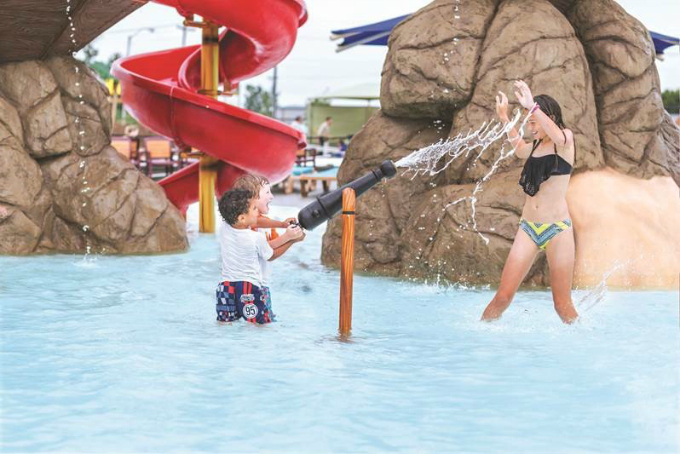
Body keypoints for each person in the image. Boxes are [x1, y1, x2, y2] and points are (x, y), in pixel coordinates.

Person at [481, 80, 579, 324]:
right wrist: (504, 118)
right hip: (528, 228)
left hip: (557, 230)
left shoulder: (565, 140)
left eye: (533, 122)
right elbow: (518, 149)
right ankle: (478, 335)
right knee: (502, 297)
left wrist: (532, 106)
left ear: (549, 118)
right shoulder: (535, 146)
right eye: (529, 122)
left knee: (562, 306)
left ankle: (586, 339)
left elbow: (559, 137)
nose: (530, 127)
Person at [216, 188, 303, 324]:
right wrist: (291, 239)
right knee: (260, 325)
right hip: (248, 288)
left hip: (225, 287)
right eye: (255, 209)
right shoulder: (256, 237)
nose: (258, 213)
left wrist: (281, 225)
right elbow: (270, 255)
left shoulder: (224, 228)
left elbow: (253, 222)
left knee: (225, 325)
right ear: (242, 218)